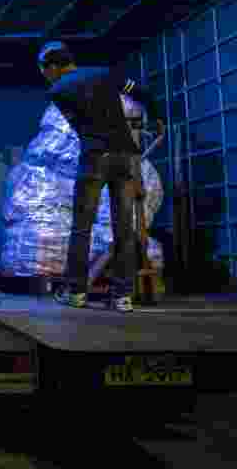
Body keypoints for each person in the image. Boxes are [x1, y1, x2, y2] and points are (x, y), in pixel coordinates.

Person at [38, 41, 164, 312]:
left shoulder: (58, 90)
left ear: (53, 67)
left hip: (95, 157)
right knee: (124, 229)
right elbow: (143, 93)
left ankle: (76, 293)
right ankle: (123, 297)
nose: (45, 76)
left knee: (82, 227)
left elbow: (78, 124)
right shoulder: (105, 73)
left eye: (44, 71)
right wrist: (158, 118)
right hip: (127, 158)